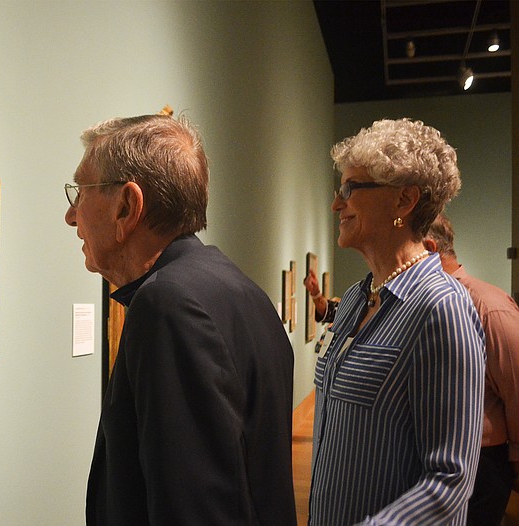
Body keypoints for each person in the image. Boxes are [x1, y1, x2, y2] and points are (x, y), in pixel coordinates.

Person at [64, 108, 296, 525]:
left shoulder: (167, 304)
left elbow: (192, 507)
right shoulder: (242, 292)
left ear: (126, 207)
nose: (71, 215)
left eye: (80, 192)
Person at [309, 118, 485, 525]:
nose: (337, 204)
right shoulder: (356, 298)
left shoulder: (441, 309)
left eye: (351, 189)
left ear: (404, 201)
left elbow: (449, 480)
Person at [423, 213, 519, 525]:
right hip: (430, 461)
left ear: (429, 248)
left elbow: (516, 387)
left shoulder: (490, 307)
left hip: (480, 467)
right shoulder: (421, 305)